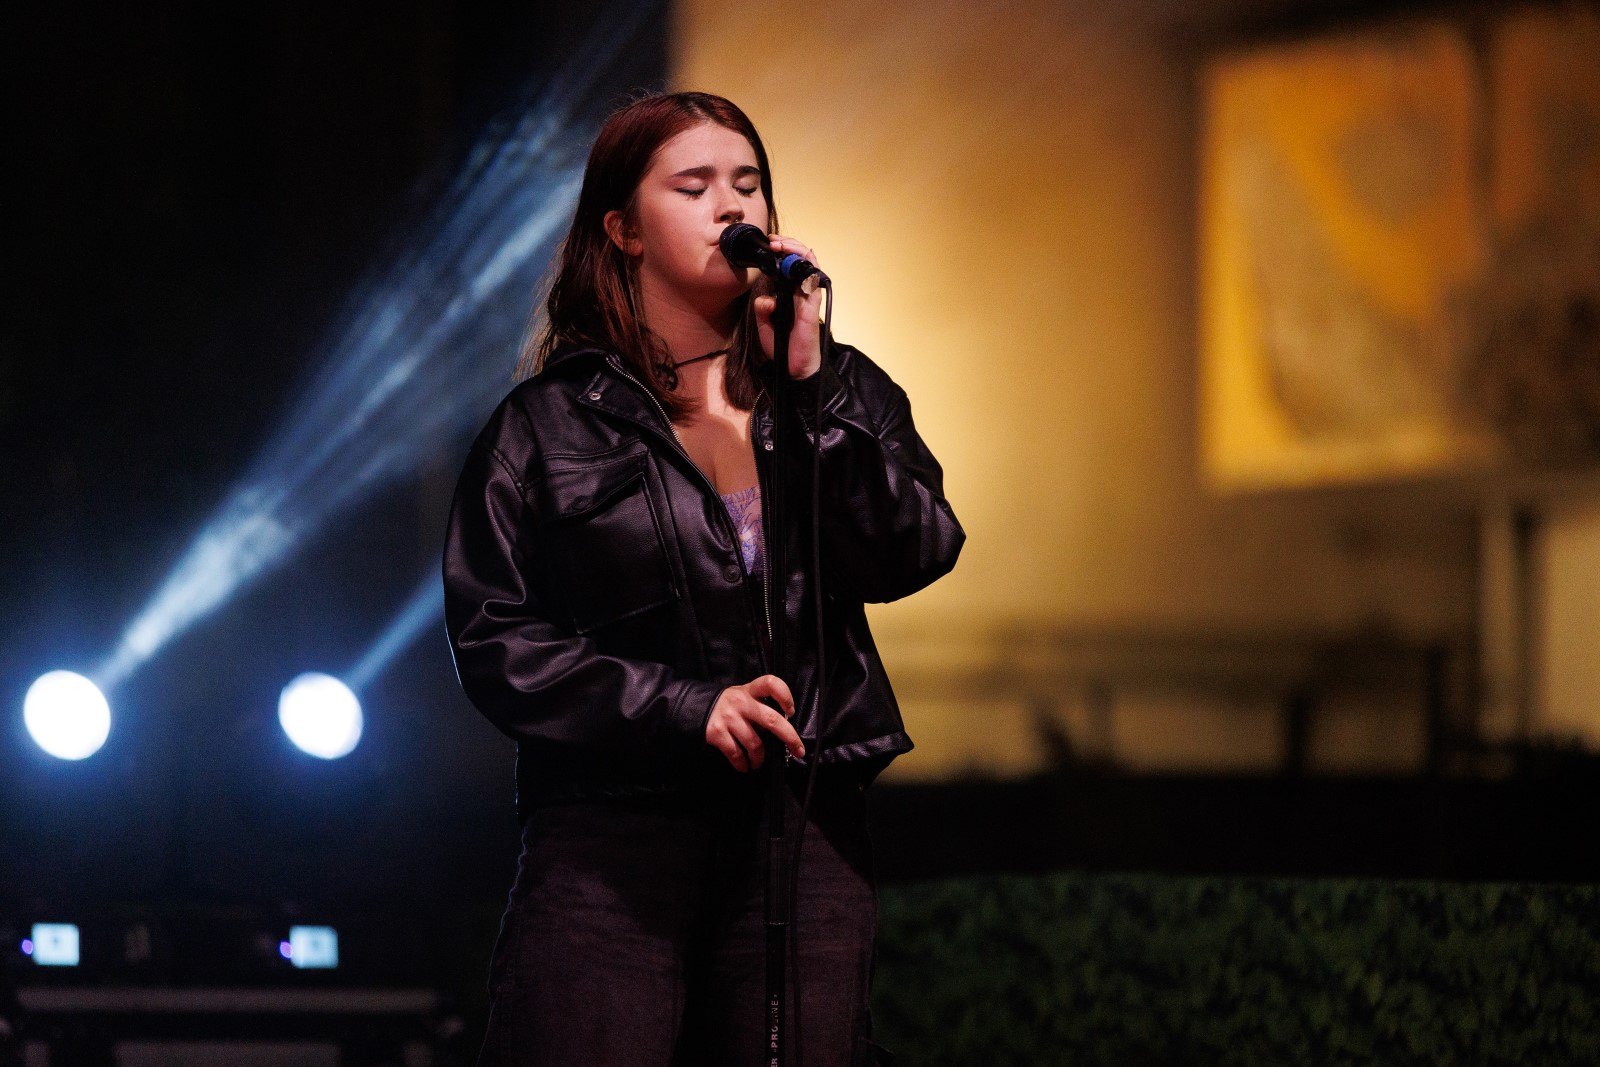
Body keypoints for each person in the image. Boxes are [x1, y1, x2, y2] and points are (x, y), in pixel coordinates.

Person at [442, 90, 965, 1066]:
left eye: (748, 183)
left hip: (803, 831)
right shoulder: (547, 426)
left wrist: (811, 392)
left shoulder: (840, 387)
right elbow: (496, 640)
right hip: (610, 844)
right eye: (694, 186)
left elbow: (916, 548)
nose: (732, 206)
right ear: (623, 229)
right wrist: (686, 707)